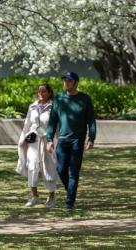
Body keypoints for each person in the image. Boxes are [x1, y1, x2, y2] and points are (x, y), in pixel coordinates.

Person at [46, 71, 96, 210]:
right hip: (62, 139)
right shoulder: (59, 98)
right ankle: (71, 192)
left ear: (75, 83)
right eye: (65, 80)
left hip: (77, 141)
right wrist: (49, 139)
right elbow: (53, 120)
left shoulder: (85, 99)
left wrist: (91, 138)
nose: (66, 83)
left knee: (73, 171)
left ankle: (70, 202)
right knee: (61, 169)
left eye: (69, 81)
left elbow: (91, 120)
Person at [15, 82, 58, 208]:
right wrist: (22, 140)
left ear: (49, 93)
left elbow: (58, 125)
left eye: (44, 91)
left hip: (48, 141)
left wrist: (56, 141)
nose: (41, 93)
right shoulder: (32, 107)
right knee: (32, 166)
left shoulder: (54, 107)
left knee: (48, 167)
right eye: (39, 91)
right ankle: (34, 196)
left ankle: (51, 197)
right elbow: (27, 124)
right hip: (33, 141)